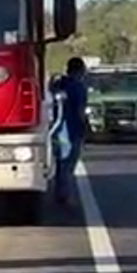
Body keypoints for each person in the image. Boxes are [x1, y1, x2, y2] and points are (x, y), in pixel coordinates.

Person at [49, 57, 88, 206]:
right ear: (80, 70)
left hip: (58, 129)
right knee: (68, 164)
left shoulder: (60, 85)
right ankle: (64, 196)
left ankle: (60, 193)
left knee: (61, 163)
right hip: (72, 129)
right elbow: (80, 111)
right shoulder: (78, 87)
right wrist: (85, 127)